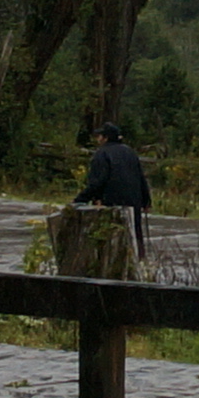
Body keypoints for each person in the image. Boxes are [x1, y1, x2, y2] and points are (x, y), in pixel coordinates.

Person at [64, 118, 151, 280]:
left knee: (111, 240)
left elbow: (98, 181)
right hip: (134, 202)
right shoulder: (130, 152)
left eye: (100, 136)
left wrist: (79, 200)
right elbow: (141, 178)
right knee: (135, 238)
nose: (97, 139)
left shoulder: (101, 154)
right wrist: (146, 201)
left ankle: (111, 274)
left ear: (105, 138)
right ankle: (140, 272)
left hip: (111, 202)